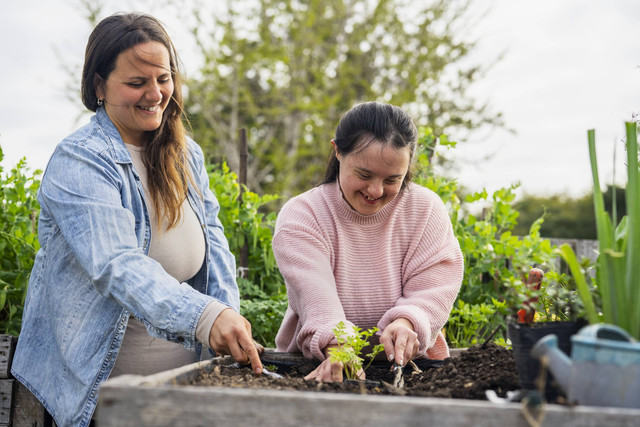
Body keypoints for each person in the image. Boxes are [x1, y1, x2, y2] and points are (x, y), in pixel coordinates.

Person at [10, 13, 263, 427]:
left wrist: (226, 320)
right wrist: (205, 317)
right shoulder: (81, 160)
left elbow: (215, 247)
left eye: (163, 79)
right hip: (100, 400)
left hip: (181, 391)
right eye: (136, 83)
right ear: (98, 86)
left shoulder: (185, 155)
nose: (155, 94)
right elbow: (117, 265)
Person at [272, 101, 464, 382]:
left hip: (410, 369)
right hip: (318, 365)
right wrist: (339, 348)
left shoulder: (424, 210)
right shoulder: (304, 214)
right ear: (337, 150)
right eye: (364, 175)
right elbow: (317, 300)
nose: (375, 190)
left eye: (392, 179)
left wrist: (407, 321)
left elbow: (434, 287)